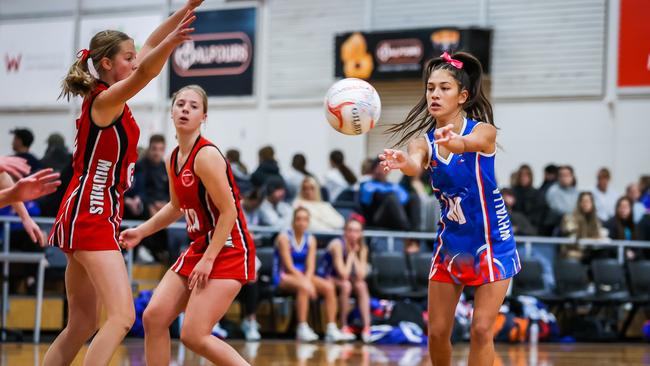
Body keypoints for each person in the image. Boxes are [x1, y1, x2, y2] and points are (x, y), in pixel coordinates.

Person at [43, 4, 200, 365]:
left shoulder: (109, 96)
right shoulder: (104, 100)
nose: (133, 60)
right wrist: (173, 44)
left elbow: (148, 49)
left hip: (90, 213)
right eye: (126, 57)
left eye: (133, 55)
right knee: (122, 316)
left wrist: (186, 9)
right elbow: (145, 71)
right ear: (108, 64)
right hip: (91, 214)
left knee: (82, 323)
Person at [380, 51, 520, 366]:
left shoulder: (484, 131)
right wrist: (404, 163)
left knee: (482, 329)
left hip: (492, 242)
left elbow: (465, 144)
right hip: (452, 245)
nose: (435, 94)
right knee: (438, 332)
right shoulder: (422, 141)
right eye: (431, 88)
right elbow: (416, 163)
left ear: (462, 96)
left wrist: (454, 141)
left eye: (444, 88)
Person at [119, 84, 255, 365]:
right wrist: (141, 231)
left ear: (203, 116)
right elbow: (176, 207)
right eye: (180, 104)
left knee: (194, 335)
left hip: (228, 247)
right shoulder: (173, 158)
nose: (185, 109)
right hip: (201, 246)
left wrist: (209, 258)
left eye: (193, 106)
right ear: (171, 112)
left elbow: (229, 212)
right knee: (154, 317)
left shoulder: (206, 156)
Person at [273, 207, 353, 342]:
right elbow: (288, 266)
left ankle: (331, 328)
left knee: (328, 287)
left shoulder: (311, 239)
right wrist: (307, 284)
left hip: (304, 276)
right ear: (293, 221)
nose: (301, 222)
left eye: (305, 219)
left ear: (308, 222)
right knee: (303, 287)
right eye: (298, 219)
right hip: (284, 275)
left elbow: (310, 265)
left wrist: (308, 281)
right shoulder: (284, 237)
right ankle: (302, 327)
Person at [316, 214, 372, 343]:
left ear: (361, 234)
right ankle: (344, 325)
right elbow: (343, 274)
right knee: (346, 285)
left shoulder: (363, 248)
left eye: (357, 231)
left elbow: (361, 275)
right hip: (326, 277)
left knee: (361, 285)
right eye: (350, 230)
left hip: (343, 279)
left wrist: (355, 255)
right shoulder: (337, 244)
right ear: (345, 232)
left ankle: (367, 328)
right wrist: (352, 253)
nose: (353, 234)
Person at [560, 191, 608, 260]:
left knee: (604, 254)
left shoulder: (596, 220)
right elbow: (574, 239)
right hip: (573, 252)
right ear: (579, 203)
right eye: (583, 201)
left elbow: (599, 235)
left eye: (588, 201)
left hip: (591, 252)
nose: (586, 204)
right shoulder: (569, 218)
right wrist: (592, 239)